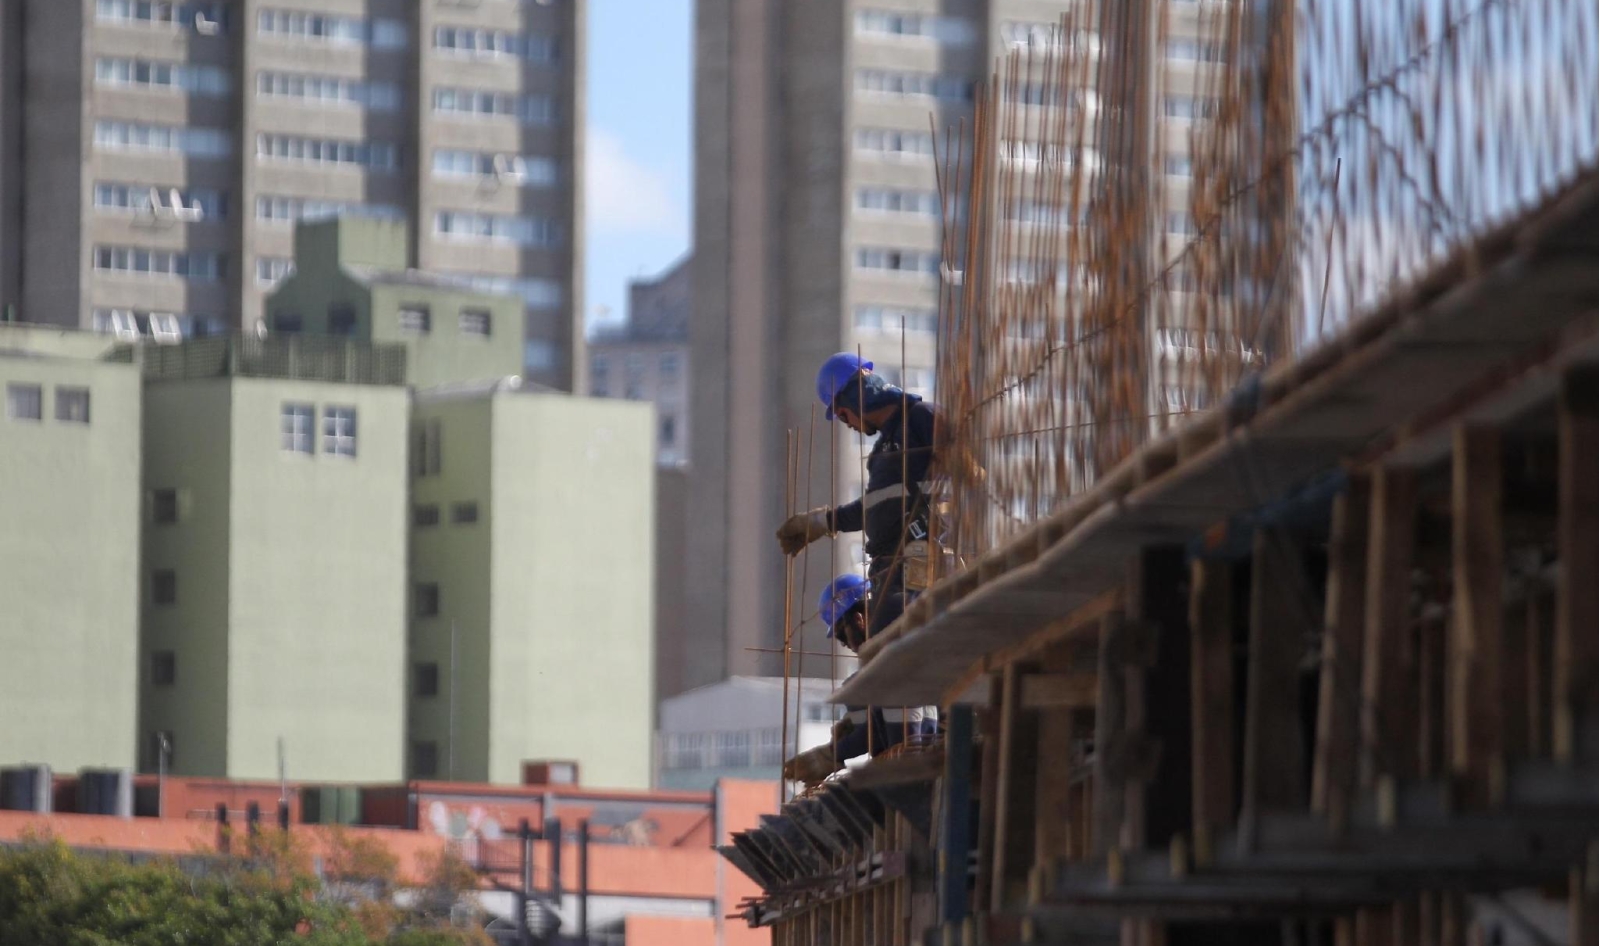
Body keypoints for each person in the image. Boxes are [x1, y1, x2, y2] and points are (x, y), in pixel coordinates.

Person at [775, 353, 944, 640]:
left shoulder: (921, 418)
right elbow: (878, 507)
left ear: (856, 397)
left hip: (919, 563)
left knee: (890, 642)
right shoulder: (883, 452)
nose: (846, 423)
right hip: (892, 572)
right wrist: (823, 521)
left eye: (842, 414)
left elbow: (965, 475)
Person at [781, 574, 935, 786]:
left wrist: (833, 752)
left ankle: (901, 780)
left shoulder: (893, 649)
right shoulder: (900, 623)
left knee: (857, 689)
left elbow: (879, 726)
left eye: (842, 635)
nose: (847, 645)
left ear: (858, 620)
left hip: (925, 755)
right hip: (928, 740)